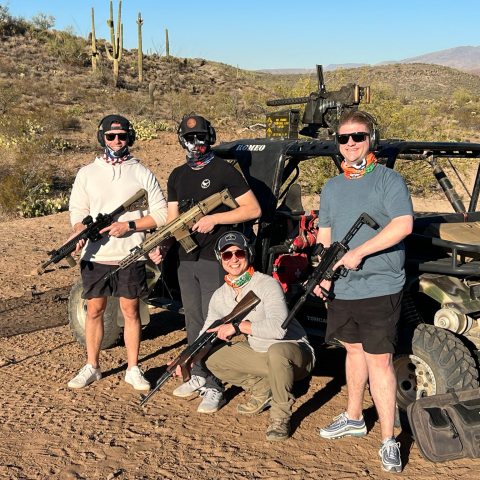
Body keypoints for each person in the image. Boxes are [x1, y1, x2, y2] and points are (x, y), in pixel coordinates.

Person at [313, 110, 413, 473]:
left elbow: (403, 225)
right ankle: (354, 416)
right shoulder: (332, 186)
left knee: (379, 361)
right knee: (352, 350)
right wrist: (323, 272)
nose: (351, 143)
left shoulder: (389, 180)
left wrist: (359, 252)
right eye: (344, 138)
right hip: (343, 287)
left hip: (379, 285)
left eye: (359, 136)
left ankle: (388, 440)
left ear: (372, 139)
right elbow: (325, 233)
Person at [163, 114, 261, 414]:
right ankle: (199, 373)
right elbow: (171, 221)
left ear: (211, 137)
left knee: (215, 320)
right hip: (186, 258)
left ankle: (216, 383)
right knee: (192, 319)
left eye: (201, 137)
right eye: (190, 138)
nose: (196, 143)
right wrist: (161, 246)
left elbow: (252, 209)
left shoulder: (223, 171)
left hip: (213, 258)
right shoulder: (177, 175)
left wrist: (214, 218)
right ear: (182, 140)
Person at [67, 114, 167, 392]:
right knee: (95, 309)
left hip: (130, 254)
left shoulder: (142, 172)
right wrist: (78, 229)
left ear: (129, 137)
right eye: (111, 136)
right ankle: (92, 365)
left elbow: (160, 215)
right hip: (95, 256)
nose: (116, 141)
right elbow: (78, 210)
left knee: (130, 311)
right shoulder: (87, 173)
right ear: (102, 138)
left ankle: (133, 368)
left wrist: (129, 225)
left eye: (122, 136)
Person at [200, 231, 315, 440]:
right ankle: (262, 387)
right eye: (227, 255)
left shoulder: (267, 284)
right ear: (220, 259)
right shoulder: (220, 295)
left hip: (293, 354)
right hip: (262, 355)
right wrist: (188, 357)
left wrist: (237, 327)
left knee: (277, 351)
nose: (233, 259)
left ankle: (280, 416)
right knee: (212, 358)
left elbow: (279, 330)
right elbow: (206, 331)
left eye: (239, 253)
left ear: (248, 254)